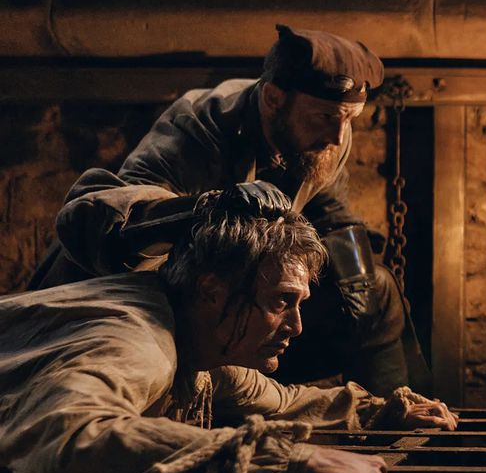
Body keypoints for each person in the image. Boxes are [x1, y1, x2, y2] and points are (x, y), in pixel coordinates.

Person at [27, 24, 426, 395]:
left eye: (349, 119)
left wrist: (355, 274)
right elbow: (116, 222)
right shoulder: (197, 128)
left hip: (235, 300)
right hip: (139, 299)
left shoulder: (328, 135)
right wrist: (209, 208)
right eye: (325, 117)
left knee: (376, 288)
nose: (337, 136)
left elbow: (327, 206)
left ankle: (400, 426)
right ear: (273, 99)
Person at [0, 193, 456, 473]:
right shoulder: (138, 342)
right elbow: (70, 438)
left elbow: (286, 401)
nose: (296, 326)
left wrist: (381, 412)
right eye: (282, 301)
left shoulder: (201, 344)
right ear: (211, 290)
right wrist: (294, 458)